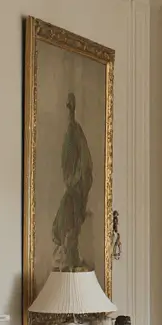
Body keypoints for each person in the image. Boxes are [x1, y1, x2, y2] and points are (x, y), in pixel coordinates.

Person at [53, 91, 94, 270]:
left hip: (76, 190)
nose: (69, 109)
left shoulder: (76, 132)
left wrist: (76, 178)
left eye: (71, 106)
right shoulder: (69, 134)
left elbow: (85, 164)